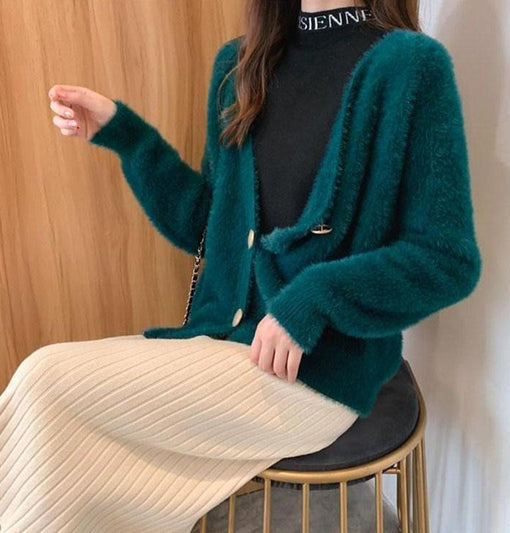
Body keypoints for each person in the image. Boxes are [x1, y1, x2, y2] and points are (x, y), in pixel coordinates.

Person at [0, 0, 482, 531]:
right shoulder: (239, 67)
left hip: (313, 374)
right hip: (221, 347)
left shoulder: (411, 67)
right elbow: (211, 227)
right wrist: (127, 136)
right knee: (48, 425)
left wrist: (312, 301)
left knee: (46, 383)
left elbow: (445, 258)